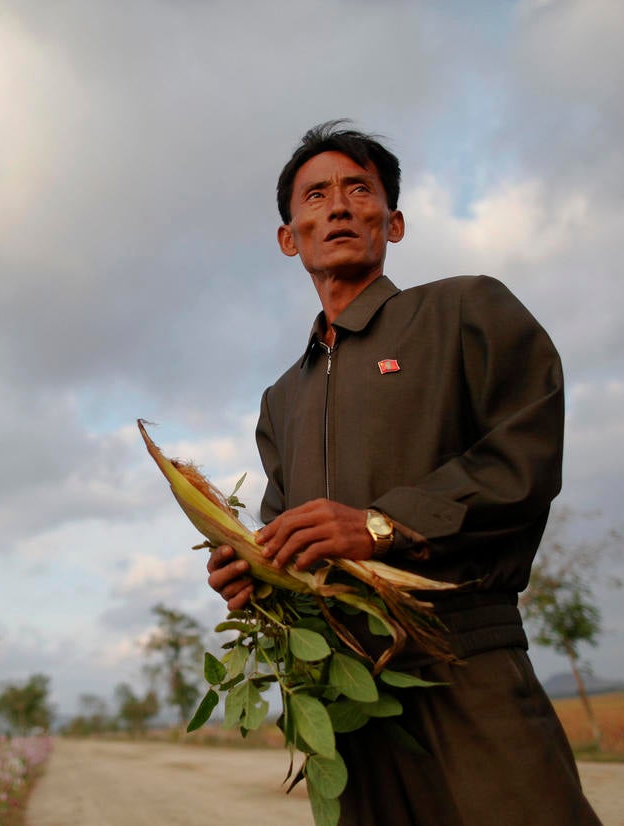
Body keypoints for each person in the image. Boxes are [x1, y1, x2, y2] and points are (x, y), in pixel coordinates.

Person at [206, 121, 603, 825]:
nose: (337, 205)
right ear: (288, 237)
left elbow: (526, 453)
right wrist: (254, 574)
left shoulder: (464, 311)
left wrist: (381, 525)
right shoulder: (281, 400)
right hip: (347, 691)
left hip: (465, 657)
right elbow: (287, 533)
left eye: (359, 189)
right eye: (315, 194)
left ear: (392, 222)